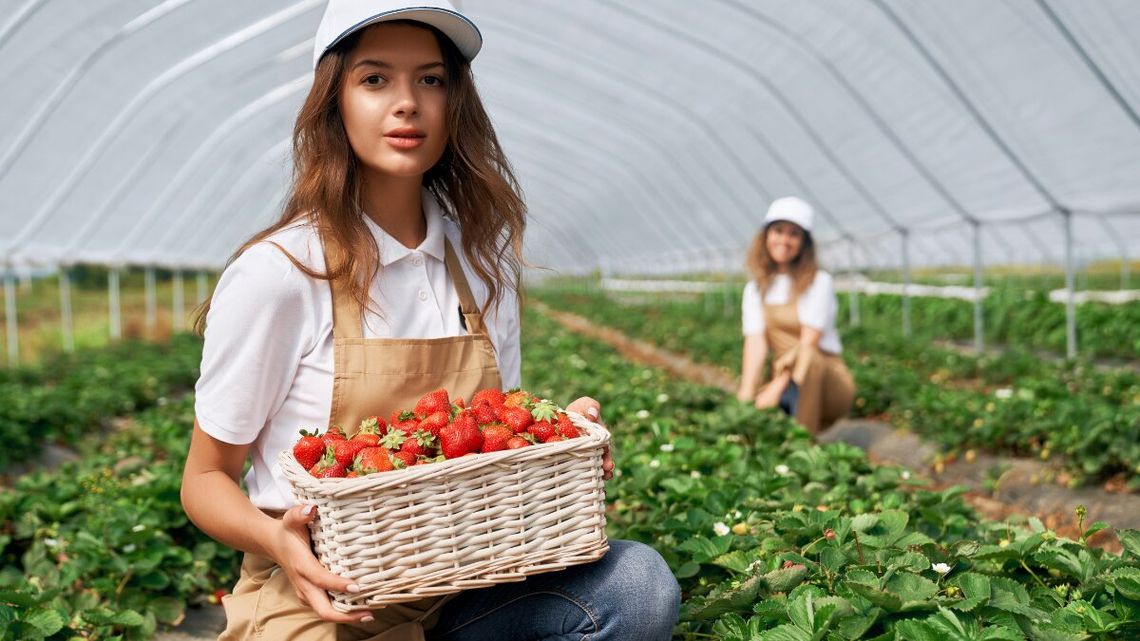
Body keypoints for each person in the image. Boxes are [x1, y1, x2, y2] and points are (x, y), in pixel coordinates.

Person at [180, 1, 680, 639]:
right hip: (323, 596)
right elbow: (205, 478)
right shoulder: (281, 274)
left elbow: (491, 438)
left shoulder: (482, 266)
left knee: (636, 585)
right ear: (334, 101)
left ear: (454, 102)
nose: (407, 103)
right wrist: (277, 539)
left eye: (431, 79)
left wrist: (557, 434)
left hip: (471, 586)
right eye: (374, 79)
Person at [735, 197, 855, 434]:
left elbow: (809, 343)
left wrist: (777, 387)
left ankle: (803, 443)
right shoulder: (755, 289)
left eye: (794, 234)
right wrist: (746, 396)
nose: (784, 240)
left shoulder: (818, 282)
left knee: (807, 357)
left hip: (828, 381)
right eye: (778, 231)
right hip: (786, 380)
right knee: (757, 419)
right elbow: (756, 343)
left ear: (804, 243)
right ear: (765, 236)